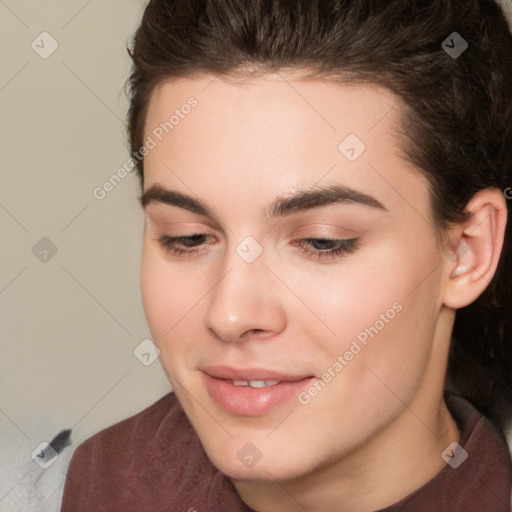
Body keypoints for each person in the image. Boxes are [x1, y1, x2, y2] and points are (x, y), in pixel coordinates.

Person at [60, 0, 512, 510]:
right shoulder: (111, 479)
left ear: (467, 252)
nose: (230, 314)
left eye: (322, 241)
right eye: (187, 237)